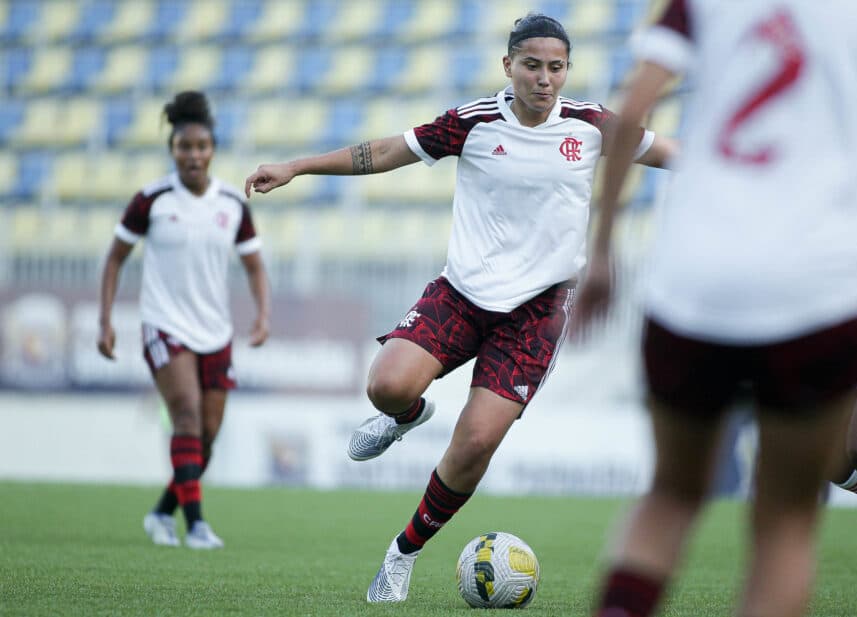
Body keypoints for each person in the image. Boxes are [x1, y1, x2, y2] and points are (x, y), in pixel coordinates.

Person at [245, 13, 675, 603]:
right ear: (508, 66)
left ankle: (402, 554)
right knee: (386, 387)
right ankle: (406, 416)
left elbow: (668, 151)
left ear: (567, 70)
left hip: (537, 311)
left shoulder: (592, 124)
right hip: (462, 294)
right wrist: (296, 166)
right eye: (532, 65)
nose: (544, 79)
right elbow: (386, 150)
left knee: (474, 443)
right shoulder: (471, 122)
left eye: (556, 67)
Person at [569, 2, 857, 616]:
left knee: (670, 498)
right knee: (785, 522)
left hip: (698, 278)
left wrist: (602, 253)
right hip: (812, 284)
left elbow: (632, 112)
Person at [98, 90, 271, 550]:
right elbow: (115, 258)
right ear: (172, 150)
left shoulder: (232, 203)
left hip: (215, 330)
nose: (193, 155)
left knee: (207, 437)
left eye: (201, 146)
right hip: (164, 325)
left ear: (212, 150)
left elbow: (255, 266)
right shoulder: (150, 200)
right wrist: (105, 321)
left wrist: (262, 315)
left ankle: (161, 512)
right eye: (184, 147)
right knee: (188, 418)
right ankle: (195, 525)